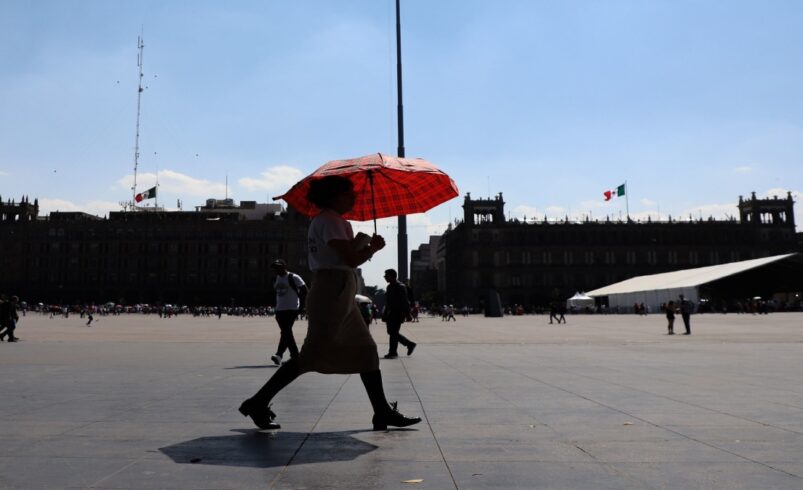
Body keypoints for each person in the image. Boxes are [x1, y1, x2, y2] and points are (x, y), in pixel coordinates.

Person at [239, 175, 420, 431]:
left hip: (339, 290)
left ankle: (382, 412)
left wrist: (360, 245)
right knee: (309, 356)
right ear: (334, 196)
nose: (354, 198)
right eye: (349, 194)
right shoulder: (330, 220)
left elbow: (340, 256)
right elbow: (349, 259)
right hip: (331, 291)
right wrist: (372, 249)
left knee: (367, 351)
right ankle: (257, 402)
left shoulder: (330, 221)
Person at [269, 259, 308, 366]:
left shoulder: (293, 277)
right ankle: (295, 356)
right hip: (279, 310)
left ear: (284, 266)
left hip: (291, 309)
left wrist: (301, 307)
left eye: (278, 267)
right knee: (287, 333)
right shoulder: (275, 278)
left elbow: (305, 290)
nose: (276, 269)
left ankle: (279, 354)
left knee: (286, 332)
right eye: (274, 268)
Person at [382, 269, 416, 359]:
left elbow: (404, 301)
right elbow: (388, 302)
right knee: (391, 332)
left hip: (399, 312)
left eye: (386, 275)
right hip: (391, 312)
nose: (385, 277)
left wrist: (408, 314)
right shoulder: (389, 287)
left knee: (393, 332)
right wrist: (385, 313)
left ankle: (393, 352)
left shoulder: (400, 286)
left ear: (392, 276)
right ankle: (409, 344)